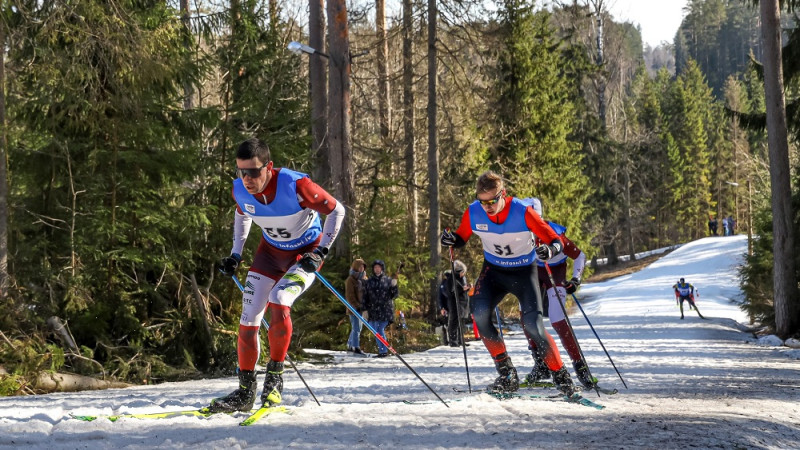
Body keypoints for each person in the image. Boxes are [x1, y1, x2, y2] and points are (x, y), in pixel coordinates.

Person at [208, 138, 345, 413]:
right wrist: (236, 254)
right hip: (269, 256)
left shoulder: (296, 185)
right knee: (248, 320)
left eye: (254, 172)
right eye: (241, 172)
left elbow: (337, 210)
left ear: (269, 167)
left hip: (303, 256)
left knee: (280, 298)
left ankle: (274, 382)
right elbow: (242, 214)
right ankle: (245, 392)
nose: (247, 179)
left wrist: (322, 251)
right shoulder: (241, 190)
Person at [440, 170, 578, 396]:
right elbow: (461, 237)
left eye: (493, 200)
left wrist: (549, 249)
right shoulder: (474, 211)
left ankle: (561, 377)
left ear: (503, 194)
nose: (488, 207)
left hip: (524, 272)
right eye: (483, 201)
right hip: (494, 271)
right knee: (480, 314)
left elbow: (554, 240)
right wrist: (451, 239)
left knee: (534, 326)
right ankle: (507, 374)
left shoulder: (522, 212)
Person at [522, 198, 593, 389]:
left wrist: (576, 280)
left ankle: (580, 367)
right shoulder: (519, 235)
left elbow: (580, 256)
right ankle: (541, 364)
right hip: (534, 272)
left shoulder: (555, 234)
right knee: (527, 315)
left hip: (555, 273)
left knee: (557, 320)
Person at [363, 260, 399, 358]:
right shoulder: (369, 282)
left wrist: (394, 286)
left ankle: (383, 350)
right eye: (375, 267)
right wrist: (365, 309)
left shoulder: (387, 280)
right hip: (373, 310)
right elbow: (365, 296)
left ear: (382, 268)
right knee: (375, 330)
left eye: (378, 267)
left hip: (385, 310)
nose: (377, 269)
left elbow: (394, 295)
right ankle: (382, 349)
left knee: (379, 329)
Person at [438, 259, 471, 347]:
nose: (463, 274)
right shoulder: (451, 279)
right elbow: (450, 292)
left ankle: (460, 340)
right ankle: (453, 341)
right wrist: (462, 289)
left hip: (461, 303)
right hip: (454, 303)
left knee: (460, 322)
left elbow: (460, 289)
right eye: (462, 272)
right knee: (454, 322)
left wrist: (467, 288)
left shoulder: (460, 279)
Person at [345, 258, 367, 355]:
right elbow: (350, 295)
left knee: (358, 328)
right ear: (356, 267)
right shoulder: (350, 280)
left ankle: (350, 345)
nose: (362, 268)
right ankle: (355, 347)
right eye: (360, 266)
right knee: (356, 328)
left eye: (363, 267)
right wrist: (355, 305)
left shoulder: (364, 278)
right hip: (354, 308)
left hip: (362, 307)